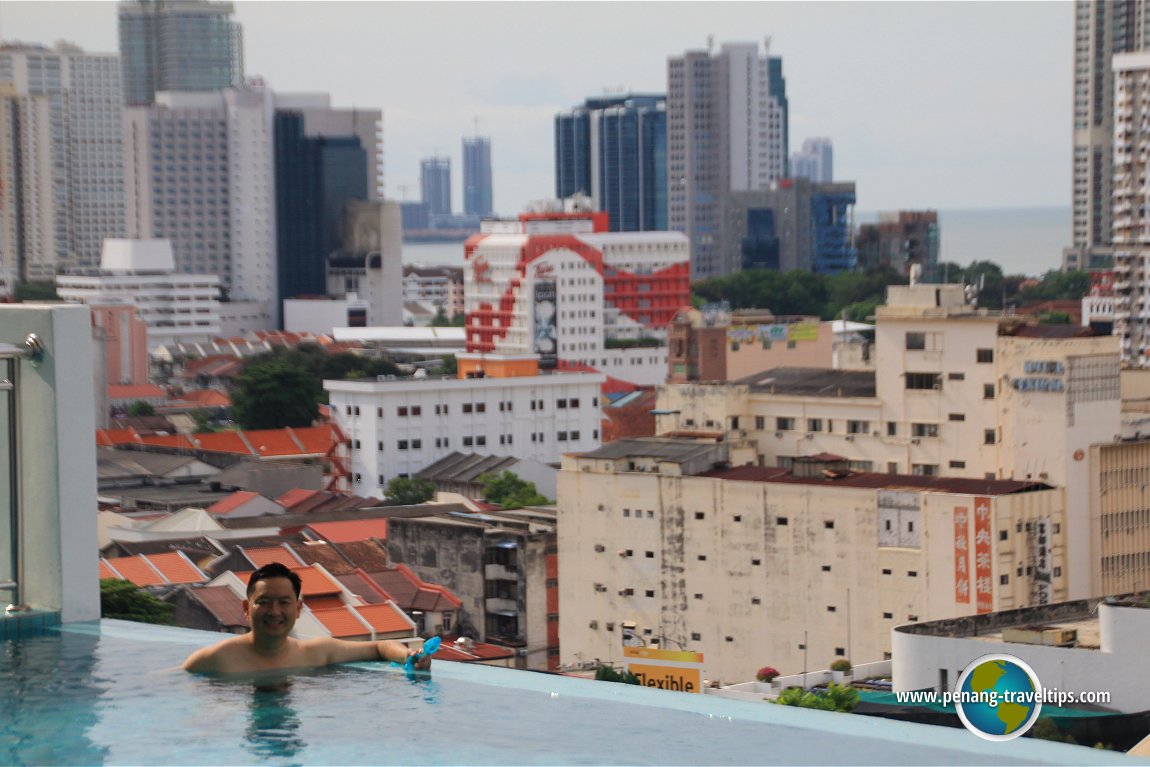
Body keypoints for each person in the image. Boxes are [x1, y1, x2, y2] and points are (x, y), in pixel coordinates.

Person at [183, 562, 432, 674]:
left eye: (284, 603)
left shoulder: (316, 652)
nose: (274, 612)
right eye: (264, 602)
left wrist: (410, 659)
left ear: (298, 608)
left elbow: (380, 647)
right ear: (247, 608)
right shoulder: (214, 660)